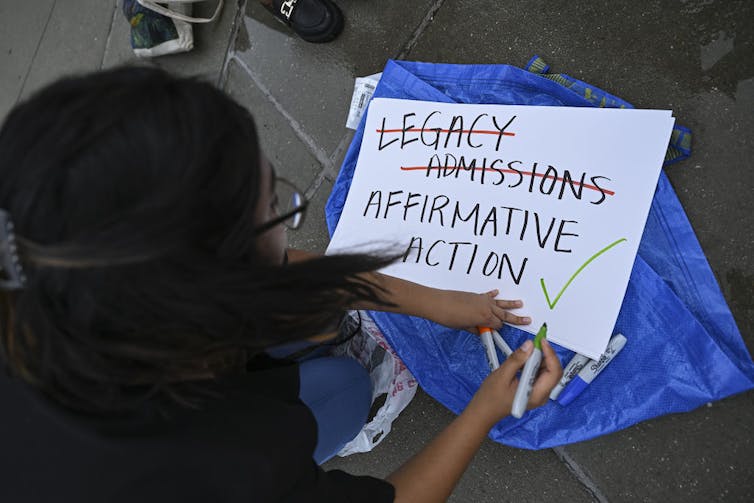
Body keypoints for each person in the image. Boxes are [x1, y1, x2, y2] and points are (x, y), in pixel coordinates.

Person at [0, 67, 562, 502]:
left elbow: (279, 270)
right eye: (275, 207)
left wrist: (434, 301)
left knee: (314, 326)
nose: (286, 213)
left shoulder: (43, 262)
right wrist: (485, 409)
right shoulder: (221, 465)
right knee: (342, 387)